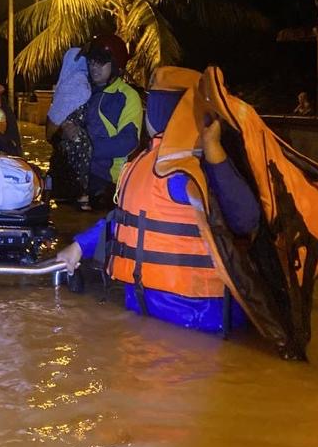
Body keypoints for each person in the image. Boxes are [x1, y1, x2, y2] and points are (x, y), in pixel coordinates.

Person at [59, 65, 318, 359]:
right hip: (200, 323)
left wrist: (79, 245)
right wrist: (216, 153)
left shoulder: (147, 167)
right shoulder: (185, 169)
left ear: (154, 115)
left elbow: (122, 221)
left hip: (155, 316)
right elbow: (244, 220)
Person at [59, 66, 260, 332]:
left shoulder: (181, 164)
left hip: (185, 316)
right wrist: (80, 246)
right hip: (191, 322)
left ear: (155, 111)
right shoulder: (178, 162)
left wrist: (79, 247)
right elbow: (125, 220)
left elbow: (244, 218)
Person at [68, 34, 143, 210]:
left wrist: (84, 147)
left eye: (101, 62)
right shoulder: (82, 92)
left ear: (115, 65)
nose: (94, 67)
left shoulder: (126, 96)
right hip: (77, 177)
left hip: (105, 181)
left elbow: (128, 142)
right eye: (92, 61)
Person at [45, 46, 93, 207]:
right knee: (80, 173)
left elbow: (55, 118)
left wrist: (53, 133)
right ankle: (82, 198)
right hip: (82, 139)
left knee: (66, 169)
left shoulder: (71, 84)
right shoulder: (86, 82)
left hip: (70, 140)